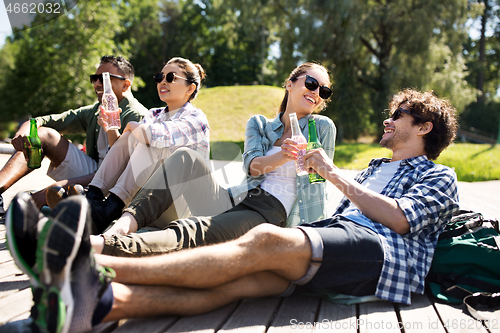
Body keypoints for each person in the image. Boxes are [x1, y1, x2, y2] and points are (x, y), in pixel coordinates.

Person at [7, 88, 460, 333]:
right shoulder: (374, 166)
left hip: (380, 255)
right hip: (329, 240)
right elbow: (255, 167)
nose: (388, 119)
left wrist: (331, 171)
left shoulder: (440, 176)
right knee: (239, 282)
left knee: (261, 240)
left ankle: (85, 260)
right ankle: (101, 305)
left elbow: (398, 219)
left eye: (398, 114)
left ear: (423, 128)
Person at [89, 62, 336, 256]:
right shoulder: (260, 124)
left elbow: (318, 181)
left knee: (196, 231)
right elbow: (253, 168)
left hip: (270, 212)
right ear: (290, 84)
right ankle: (120, 226)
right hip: (235, 197)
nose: (317, 93)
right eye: (312, 83)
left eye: (324, 91)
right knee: (185, 156)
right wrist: (283, 155)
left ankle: (105, 248)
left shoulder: (322, 127)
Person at [63, 57, 210, 234]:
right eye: (159, 77)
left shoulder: (196, 118)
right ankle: (93, 197)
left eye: (170, 77)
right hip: (144, 198)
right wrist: (112, 128)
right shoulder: (154, 114)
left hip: (177, 204)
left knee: (148, 138)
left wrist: (132, 126)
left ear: (190, 88)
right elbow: (124, 152)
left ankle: (107, 209)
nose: (162, 81)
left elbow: (157, 136)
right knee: (133, 137)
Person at [0, 55, 148, 214]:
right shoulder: (95, 110)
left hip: (116, 188)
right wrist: (24, 131)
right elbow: (45, 121)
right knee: (42, 134)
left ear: (125, 85)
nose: (98, 83)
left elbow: (119, 174)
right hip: (92, 173)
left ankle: (69, 200)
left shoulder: (137, 116)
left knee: (53, 196)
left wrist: (57, 185)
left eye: (105, 79)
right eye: (95, 78)